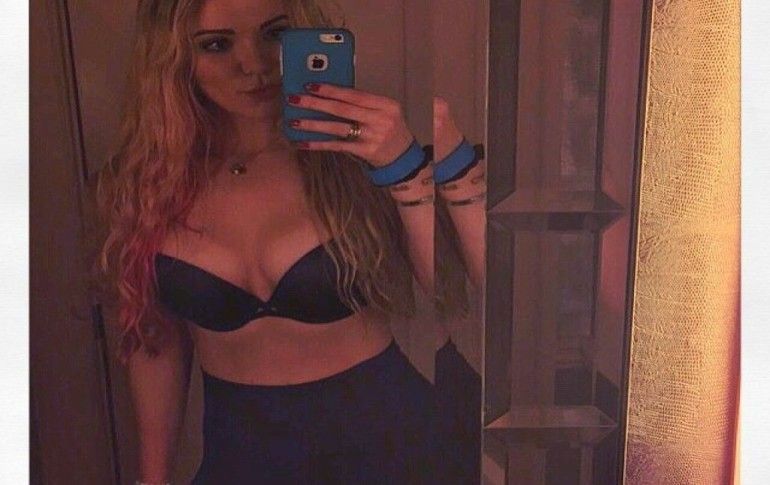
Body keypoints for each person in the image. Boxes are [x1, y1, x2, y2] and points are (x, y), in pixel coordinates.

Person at [93, 0, 439, 483]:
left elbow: (451, 293)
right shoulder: (148, 182)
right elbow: (156, 340)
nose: (254, 64)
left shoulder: (356, 154)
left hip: (394, 448)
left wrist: (403, 166)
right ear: (173, 58)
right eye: (217, 45)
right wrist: (153, 478)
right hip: (241, 460)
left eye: (274, 35)